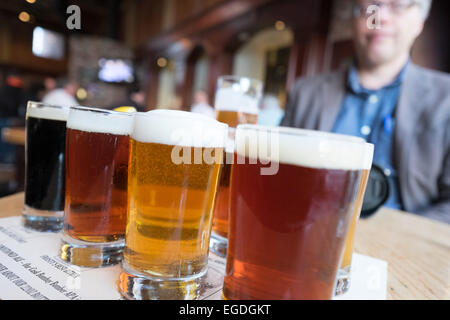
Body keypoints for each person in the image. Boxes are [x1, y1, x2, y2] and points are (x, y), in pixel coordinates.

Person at [282, 0, 449, 223]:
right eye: (371, 6)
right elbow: (278, 174)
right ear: (354, 20)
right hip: (310, 233)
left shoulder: (446, 98)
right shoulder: (305, 93)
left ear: (419, 22)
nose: (379, 17)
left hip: (406, 245)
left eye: (397, 6)